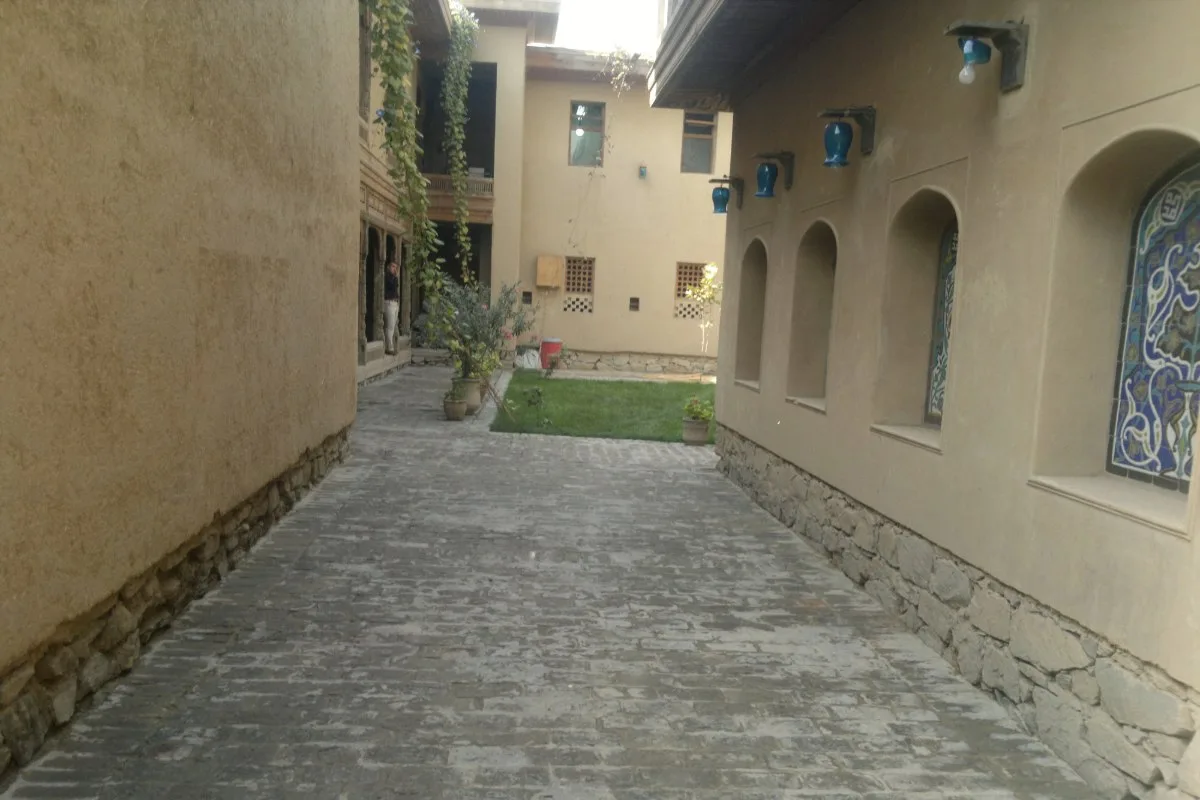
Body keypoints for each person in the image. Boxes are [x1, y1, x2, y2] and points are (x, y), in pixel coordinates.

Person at [384, 261, 400, 355]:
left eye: (395, 267)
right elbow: (391, 285)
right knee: (389, 325)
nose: (394, 269)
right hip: (389, 302)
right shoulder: (387, 277)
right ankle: (389, 347)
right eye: (393, 267)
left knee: (393, 325)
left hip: (395, 303)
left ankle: (391, 345)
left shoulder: (395, 278)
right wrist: (395, 276)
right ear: (388, 267)